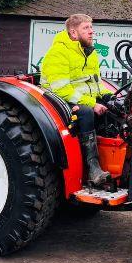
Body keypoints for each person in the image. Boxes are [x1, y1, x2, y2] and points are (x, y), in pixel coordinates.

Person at [40, 14, 113, 187]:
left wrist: (111, 97)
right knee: (86, 112)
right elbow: (61, 89)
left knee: (113, 104)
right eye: (86, 28)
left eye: (91, 27)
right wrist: (92, 104)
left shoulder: (90, 53)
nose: (91, 32)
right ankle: (93, 167)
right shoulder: (58, 53)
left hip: (80, 97)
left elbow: (96, 84)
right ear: (73, 32)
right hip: (58, 100)